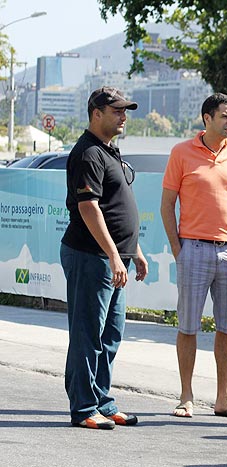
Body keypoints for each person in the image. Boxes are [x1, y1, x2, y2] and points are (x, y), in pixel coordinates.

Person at [161, 92, 227, 420]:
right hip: (194, 248)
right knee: (188, 326)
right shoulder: (181, 152)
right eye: (225, 117)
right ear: (207, 119)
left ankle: (223, 400)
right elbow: (166, 204)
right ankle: (186, 396)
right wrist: (178, 249)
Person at [61, 86, 148, 429]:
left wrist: (133, 252)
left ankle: (103, 402)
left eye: (125, 111)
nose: (123, 116)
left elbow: (116, 207)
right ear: (96, 113)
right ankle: (83, 408)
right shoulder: (87, 153)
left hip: (114, 257)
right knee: (88, 334)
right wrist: (113, 256)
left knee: (111, 334)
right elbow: (89, 207)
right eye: (117, 111)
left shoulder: (109, 150)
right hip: (90, 255)